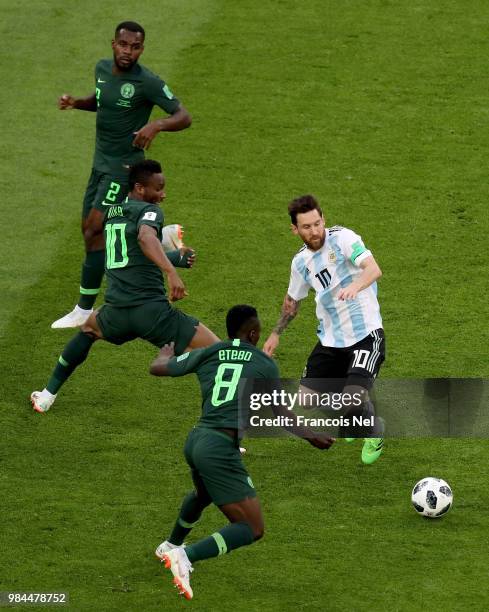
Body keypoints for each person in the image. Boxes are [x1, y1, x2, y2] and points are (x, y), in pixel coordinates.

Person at [149, 304, 335, 600]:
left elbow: (158, 368)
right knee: (251, 527)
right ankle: (186, 556)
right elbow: (281, 413)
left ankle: (171, 545)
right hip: (219, 449)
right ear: (252, 332)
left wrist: (164, 356)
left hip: (196, 440)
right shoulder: (263, 363)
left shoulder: (210, 351)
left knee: (203, 495)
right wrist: (312, 436)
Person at [31, 160, 218, 413]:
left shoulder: (112, 214)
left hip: (116, 314)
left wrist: (175, 257)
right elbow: (144, 237)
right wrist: (171, 270)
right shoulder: (149, 212)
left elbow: (131, 256)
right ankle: (227, 433)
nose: (163, 194)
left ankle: (46, 395)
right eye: (158, 188)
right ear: (140, 188)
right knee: (220, 353)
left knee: (87, 328)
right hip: (153, 315)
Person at [52, 21, 192, 329]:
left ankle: (83, 308)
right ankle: (164, 238)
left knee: (94, 228)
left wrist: (155, 125)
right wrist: (77, 103)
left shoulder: (147, 82)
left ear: (142, 48)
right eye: (123, 45)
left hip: (123, 167)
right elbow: (103, 101)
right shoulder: (102, 69)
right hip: (99, 163)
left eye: (135, 47)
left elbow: (183, 116)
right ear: (113, 44)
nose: (128, 52)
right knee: (91, 232)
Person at [263, 194, 386, 465]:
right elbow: (292, 302)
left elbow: (373, 269)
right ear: (295, 229)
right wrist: (276, 333)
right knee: (306, 401)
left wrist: (355, 286)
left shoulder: (343, 239)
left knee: (352, 398)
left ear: (323, 219)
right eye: (306, 227)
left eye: (317, 223)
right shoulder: (300, 263)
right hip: (331, 341)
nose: (315, 231)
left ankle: (373, 428)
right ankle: (355, 419)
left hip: (366, 335)